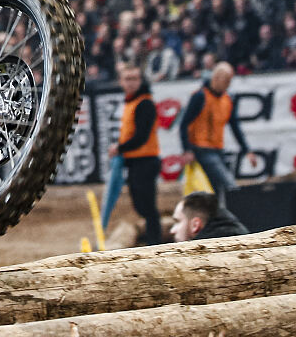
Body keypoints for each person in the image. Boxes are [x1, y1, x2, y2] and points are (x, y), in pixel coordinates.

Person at [179, 62, 257, 201]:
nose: (228, 85)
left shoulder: (227, 99)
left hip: (217, 148)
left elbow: (235, 126)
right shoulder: (200, 96)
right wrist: (187, 149)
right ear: (216, 78)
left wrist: (247, 150)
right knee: (228, 185)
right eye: (226, 81)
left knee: (219, 190)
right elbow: (184, 124)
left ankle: (221, 212)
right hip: (201, 148)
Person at [108, 62, 162, 244]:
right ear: (121, 81)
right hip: (137, 161)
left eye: (134, 79)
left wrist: (119, 148)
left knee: (147, 206)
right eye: (127, 79)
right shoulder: (133, 102)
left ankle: (154, 241)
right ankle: (153, 239)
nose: (131, 83)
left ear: (140, 80)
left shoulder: (144, 103)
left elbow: (141, 137)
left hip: (145, 160)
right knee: (142, 206)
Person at [170, 190, 249, 241]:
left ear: (195, 225)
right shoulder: (244, 237)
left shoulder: (199, 257)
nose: (172, 231)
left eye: (178, 221)